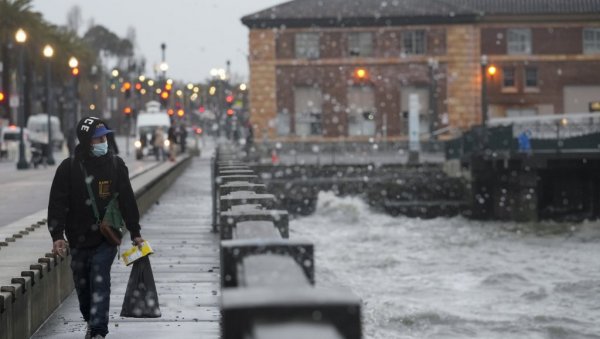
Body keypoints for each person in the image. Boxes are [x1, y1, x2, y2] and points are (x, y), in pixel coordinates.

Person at [47, 117, 144, 339]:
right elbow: (57, 203)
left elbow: (128, 200)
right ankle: (92, 321)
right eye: (98, 138)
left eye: (105, 137)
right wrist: (57, 235)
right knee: (83, 288)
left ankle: (99, 331)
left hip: (105, 239)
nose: (104, 142)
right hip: (78, 239)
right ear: (86, 140)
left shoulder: (116, 165)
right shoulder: (68, 168)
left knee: (100, 278)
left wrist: (135, 232)